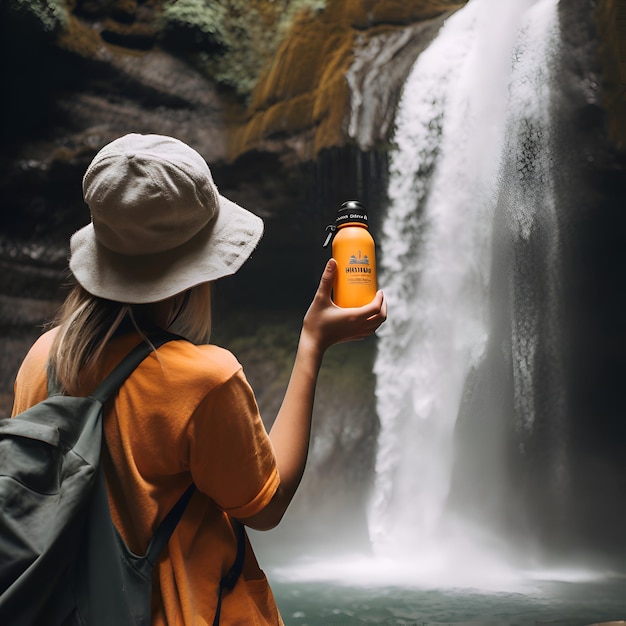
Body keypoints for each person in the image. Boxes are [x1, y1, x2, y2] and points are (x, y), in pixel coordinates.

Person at [11, 133, 387, 625]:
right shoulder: (203, 378)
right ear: (196, 268)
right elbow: (266, 504)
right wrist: (312, 345)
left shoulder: (43, 356)